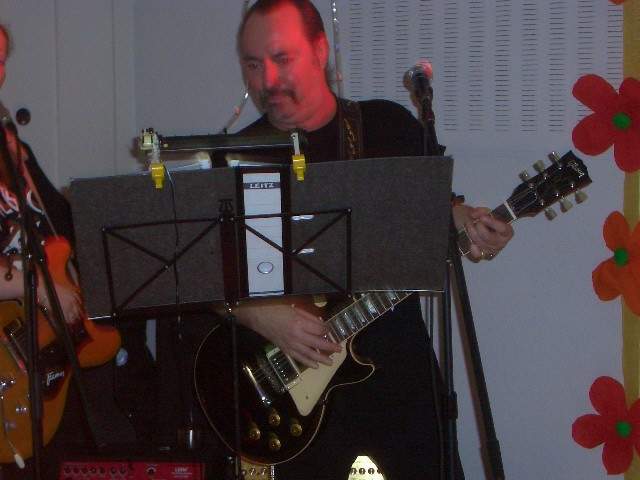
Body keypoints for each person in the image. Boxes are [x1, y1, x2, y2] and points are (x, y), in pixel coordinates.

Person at [216, 1, 515, 479]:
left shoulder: (386, 126)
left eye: (281, 58)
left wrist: (470, 224)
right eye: (253, 65)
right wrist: (256, 313)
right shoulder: (236, 156)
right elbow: (197, 269)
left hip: (398, 376)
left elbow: (436, 211)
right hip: (296, 397)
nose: (267, 79)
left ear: (320, 51)